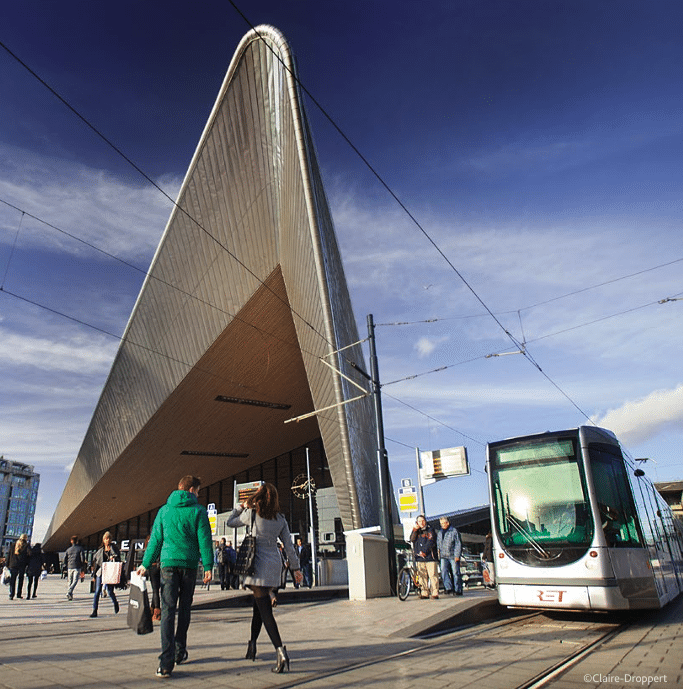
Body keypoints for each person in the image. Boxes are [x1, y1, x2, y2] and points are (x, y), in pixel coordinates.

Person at [137, 475, 214, 679]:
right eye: (197, 491)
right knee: (185, 608)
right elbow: (204, 539)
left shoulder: (164, 511)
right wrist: (208, 565)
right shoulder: (198, 511)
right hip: (189, 566)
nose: (197, 495)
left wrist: (145, 564)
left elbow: (155, 539)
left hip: (168, 565)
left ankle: (165, 662)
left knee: (168, 610)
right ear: (191, 490)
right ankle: (180, 652)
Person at [227, 483, 303, 673]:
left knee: (265, 611)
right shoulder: (280, 520)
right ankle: (252, 645)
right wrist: (295, 569)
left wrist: (241, 506)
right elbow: (289, 546)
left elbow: (230, 521)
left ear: (258, 497)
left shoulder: (252, 514)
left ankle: (280, 650)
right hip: (274, 565)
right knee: (258, 608)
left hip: (257, 564)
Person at [89, 531, 121, 617]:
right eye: (105, 539)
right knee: (97, 591)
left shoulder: (114, 548)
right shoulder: (100, 551)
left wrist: (113, 557)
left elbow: (118, 558)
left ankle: (115, 603)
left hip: (110, 572)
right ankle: (94, 610)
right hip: (101, 572)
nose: (107, 540)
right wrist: (94, 575)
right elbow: (96, 563)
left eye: (108, 538)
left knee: (110, 591)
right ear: (103, 540)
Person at [410, 515, 439, 599]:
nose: (421, 523)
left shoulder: (430, 530)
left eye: (422, 521)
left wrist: (425, 551)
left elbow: (431, 541)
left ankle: (435, 592)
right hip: (419, 557)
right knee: (422, 576)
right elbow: (412, 539)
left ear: (425, 521)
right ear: (417, 523)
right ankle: (424, 592)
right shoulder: (416, 531)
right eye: (419, 521)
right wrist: (414, 530)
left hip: (430, 557)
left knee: (432, 575)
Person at [437, 517, 463, 596]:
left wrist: (457, 555)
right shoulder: (440, 532)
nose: (442, 525)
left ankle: (458, 589)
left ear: (448, 523)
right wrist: (438, 551)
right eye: (441, 523)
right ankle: (448, 588)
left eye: (444, 523)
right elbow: (438, 543)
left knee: (455, 573)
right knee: (444, 571)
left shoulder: (454, 531)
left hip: (452, 555)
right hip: (443, 556)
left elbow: (458, 544)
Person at [7, 534, 30, 600]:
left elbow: (9, 555)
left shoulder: (13, 545)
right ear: (25, 538)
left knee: (12, 580)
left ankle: (11, 594)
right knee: (20, 579)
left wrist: (7, 564)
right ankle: (19, 594)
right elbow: (29, 554)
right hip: (21, 565)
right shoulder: (26, 545)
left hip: (13, 564)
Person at [64, 535, 85, 600]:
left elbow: (65, 559)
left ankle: (70, 595)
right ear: (77, 541)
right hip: (77, 566)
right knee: (75, 580)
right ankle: (69, 592)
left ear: (71, 541)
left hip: (69, 566)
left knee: (70, 581)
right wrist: (82, 565)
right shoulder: (80, 549)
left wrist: (66, 565)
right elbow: (82, 558)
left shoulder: (68, 550)